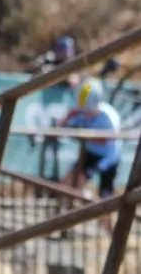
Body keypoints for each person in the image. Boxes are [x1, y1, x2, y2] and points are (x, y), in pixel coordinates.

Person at [58, 77, 121, 233]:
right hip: (90, 154)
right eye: (82, 110)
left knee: (106, 200)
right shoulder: (78, 111)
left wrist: (98, 168)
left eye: (88, 111)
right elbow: (63, 124)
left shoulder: (109, 119)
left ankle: (111, 234)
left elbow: (113, 152)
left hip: (108, 159)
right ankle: (66, 222)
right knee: (67, 185)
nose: (85, 115)